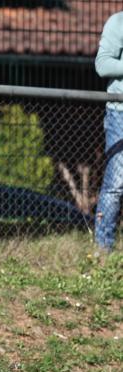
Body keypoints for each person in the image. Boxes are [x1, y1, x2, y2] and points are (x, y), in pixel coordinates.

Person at [95, 10, 123, 252]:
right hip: (120, 113)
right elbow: (102, 65)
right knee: (116, 182)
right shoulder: (118, 22)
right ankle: (104, 249)